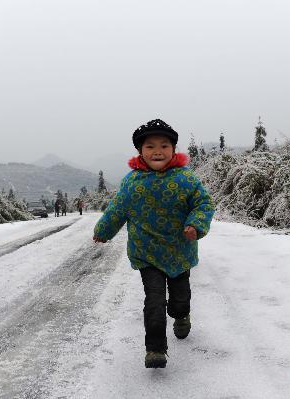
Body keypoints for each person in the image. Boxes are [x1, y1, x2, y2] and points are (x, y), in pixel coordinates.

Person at [93, 119, 214, 368]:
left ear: (173, 149)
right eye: (150, 146)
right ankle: (155, 349)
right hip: (146, 253)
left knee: (180, 299)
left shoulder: (185, 178)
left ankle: (181, 315)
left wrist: (196, 225)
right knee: (154, 301)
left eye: (164, 145)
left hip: (180, 250)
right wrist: (103, 230)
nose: (157, 151)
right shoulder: (132, 182)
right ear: (140, 151)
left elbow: (203, 203)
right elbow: (117, 210)